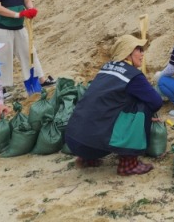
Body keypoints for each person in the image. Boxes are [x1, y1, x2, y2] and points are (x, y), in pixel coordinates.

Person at [65, 35, 163, 175]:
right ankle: (128, 164)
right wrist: (146, 118)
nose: (142, 54)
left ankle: (88, 159)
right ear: (128, 53)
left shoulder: (106, 68)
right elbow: (156, 102)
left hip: (74, 141)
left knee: (110, 106)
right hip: (94, 145)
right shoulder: (133, 75)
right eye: (139, 49)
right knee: (142, 107)